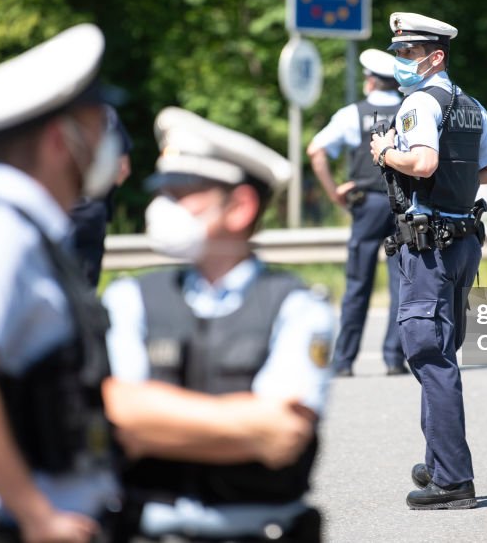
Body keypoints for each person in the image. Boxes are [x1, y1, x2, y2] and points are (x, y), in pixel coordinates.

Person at [0, 23, 123, 543]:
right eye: (98, 125)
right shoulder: (2, 231)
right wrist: (36, 514)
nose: (110, 142)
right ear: (62, 140)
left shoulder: (30, 228)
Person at [101, 107, 334, 542]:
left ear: (241, 205)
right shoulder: (129, 298)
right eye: (163, 192)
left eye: (182, 193)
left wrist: (155, 419)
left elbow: (283, 434)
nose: (162, 208)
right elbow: (119, 417)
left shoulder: (298, 307)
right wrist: (247, 425)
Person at [368, 11, 487, 509]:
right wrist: (457, 177)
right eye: (399, 53)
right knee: (441, 352)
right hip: (463, 237)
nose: (400, 61)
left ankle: (453, 481)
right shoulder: (471, 105)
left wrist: (386, 153)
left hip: (429, 244)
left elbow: (422, 162)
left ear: (435, 57)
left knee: (429, 354)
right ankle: (438, 462)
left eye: (407, 53)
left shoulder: (418, 104)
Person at [307, 47, 405, 377]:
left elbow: (316, 151)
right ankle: (395, 359)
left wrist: (335, 193)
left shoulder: (353, 113)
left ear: (370, 82)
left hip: (367, 206)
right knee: (402, 284)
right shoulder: (413, 110)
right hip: (404, 205)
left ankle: (345, 361)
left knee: (357, 285)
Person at [69, 105, 132, 287]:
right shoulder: (104, 113)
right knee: (85, 291)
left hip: (46, 211)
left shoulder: (40, 111)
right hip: (90, 210)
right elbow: (122, 169)